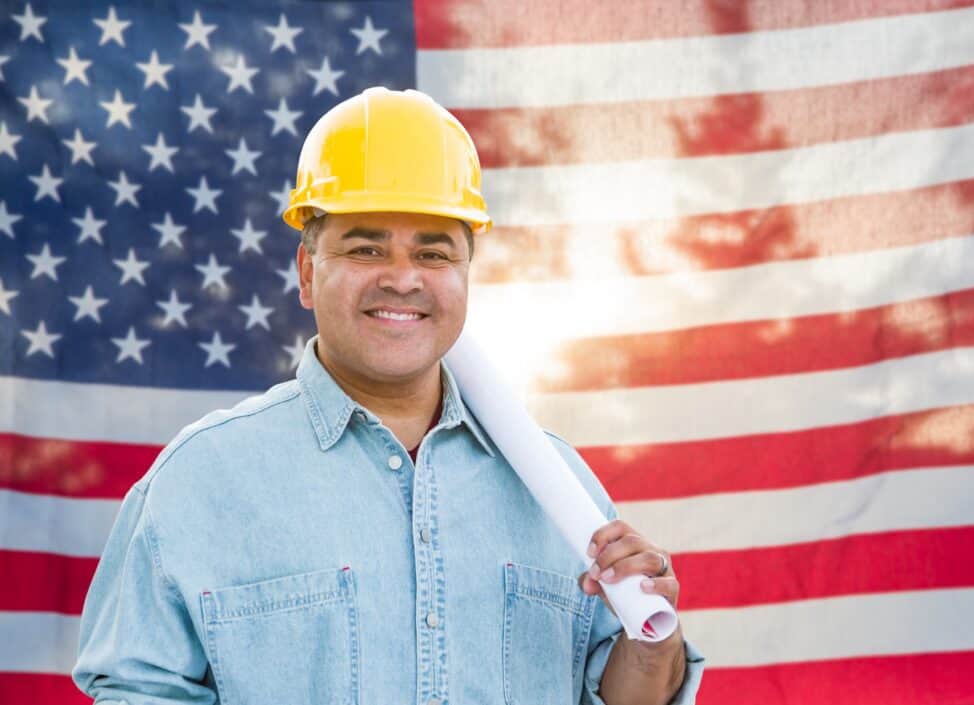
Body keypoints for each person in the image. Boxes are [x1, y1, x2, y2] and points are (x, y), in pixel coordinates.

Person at [72, 86, 705, 704]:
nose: (402, 279)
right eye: (366, 246)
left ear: (464, 276)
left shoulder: (557, 486)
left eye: (433, 253)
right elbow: (138, 691)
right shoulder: (202, 480)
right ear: (308, 271)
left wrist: (652, 648)